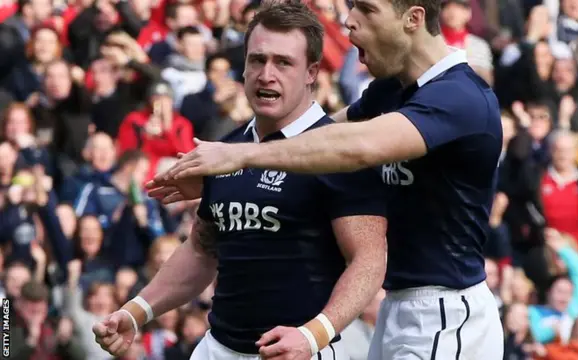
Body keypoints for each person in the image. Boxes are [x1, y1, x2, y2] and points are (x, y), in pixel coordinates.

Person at [150, 0, 505, 358]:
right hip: (399, 305)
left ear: (413, 19)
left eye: (365, 8)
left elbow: (358, 146)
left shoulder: (461, 97)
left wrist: (240, 157)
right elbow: (317, 133)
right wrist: (231, 177)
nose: (349, 21)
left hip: (447, 315)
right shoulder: (392, 89)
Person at [93, 2, 389, 360]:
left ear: (312, 71)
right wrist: (136, 311)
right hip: (217, 348)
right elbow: (202, 249)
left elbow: (370, 259)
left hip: (301, 351)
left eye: (283, 62)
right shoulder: (228, 147)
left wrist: (314, 335)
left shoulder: (339, 153)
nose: (266, 74)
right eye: (257, 60)